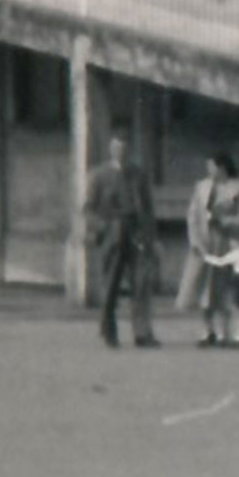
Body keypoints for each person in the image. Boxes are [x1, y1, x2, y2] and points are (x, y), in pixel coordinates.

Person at [84, 124, 159, 348]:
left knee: (141, 285)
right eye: (117, 148)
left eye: (125, 149)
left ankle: (142, 333)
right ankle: (109, 332)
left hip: (136, 232)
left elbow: (148, 208)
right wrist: (103, 227)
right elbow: (87, 209)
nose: (121, 153)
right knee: (111, 286)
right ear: (111, 150)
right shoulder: (98, 176)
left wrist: (150, 236)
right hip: (112, 233)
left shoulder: (139, 174)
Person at [203, 153, 239, 348]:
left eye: (212, 167)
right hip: (210, 242)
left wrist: (223, 222)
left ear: (222, 168)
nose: (209, 171)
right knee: (210, 289)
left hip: (232, 242)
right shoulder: (206, 188)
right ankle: (213, 331)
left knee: (232, 290)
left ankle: (237, 333)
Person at [180, 153, 222, 335]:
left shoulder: (233, 188)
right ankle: (208, 328)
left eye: (215, 167)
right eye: (209, 167)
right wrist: (195, 240)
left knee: (222, 289)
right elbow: (193, 215)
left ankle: (225, 330)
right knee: (204, 289)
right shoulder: (201, 187)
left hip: (223, 243)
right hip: (204, 244)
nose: (212, 171)